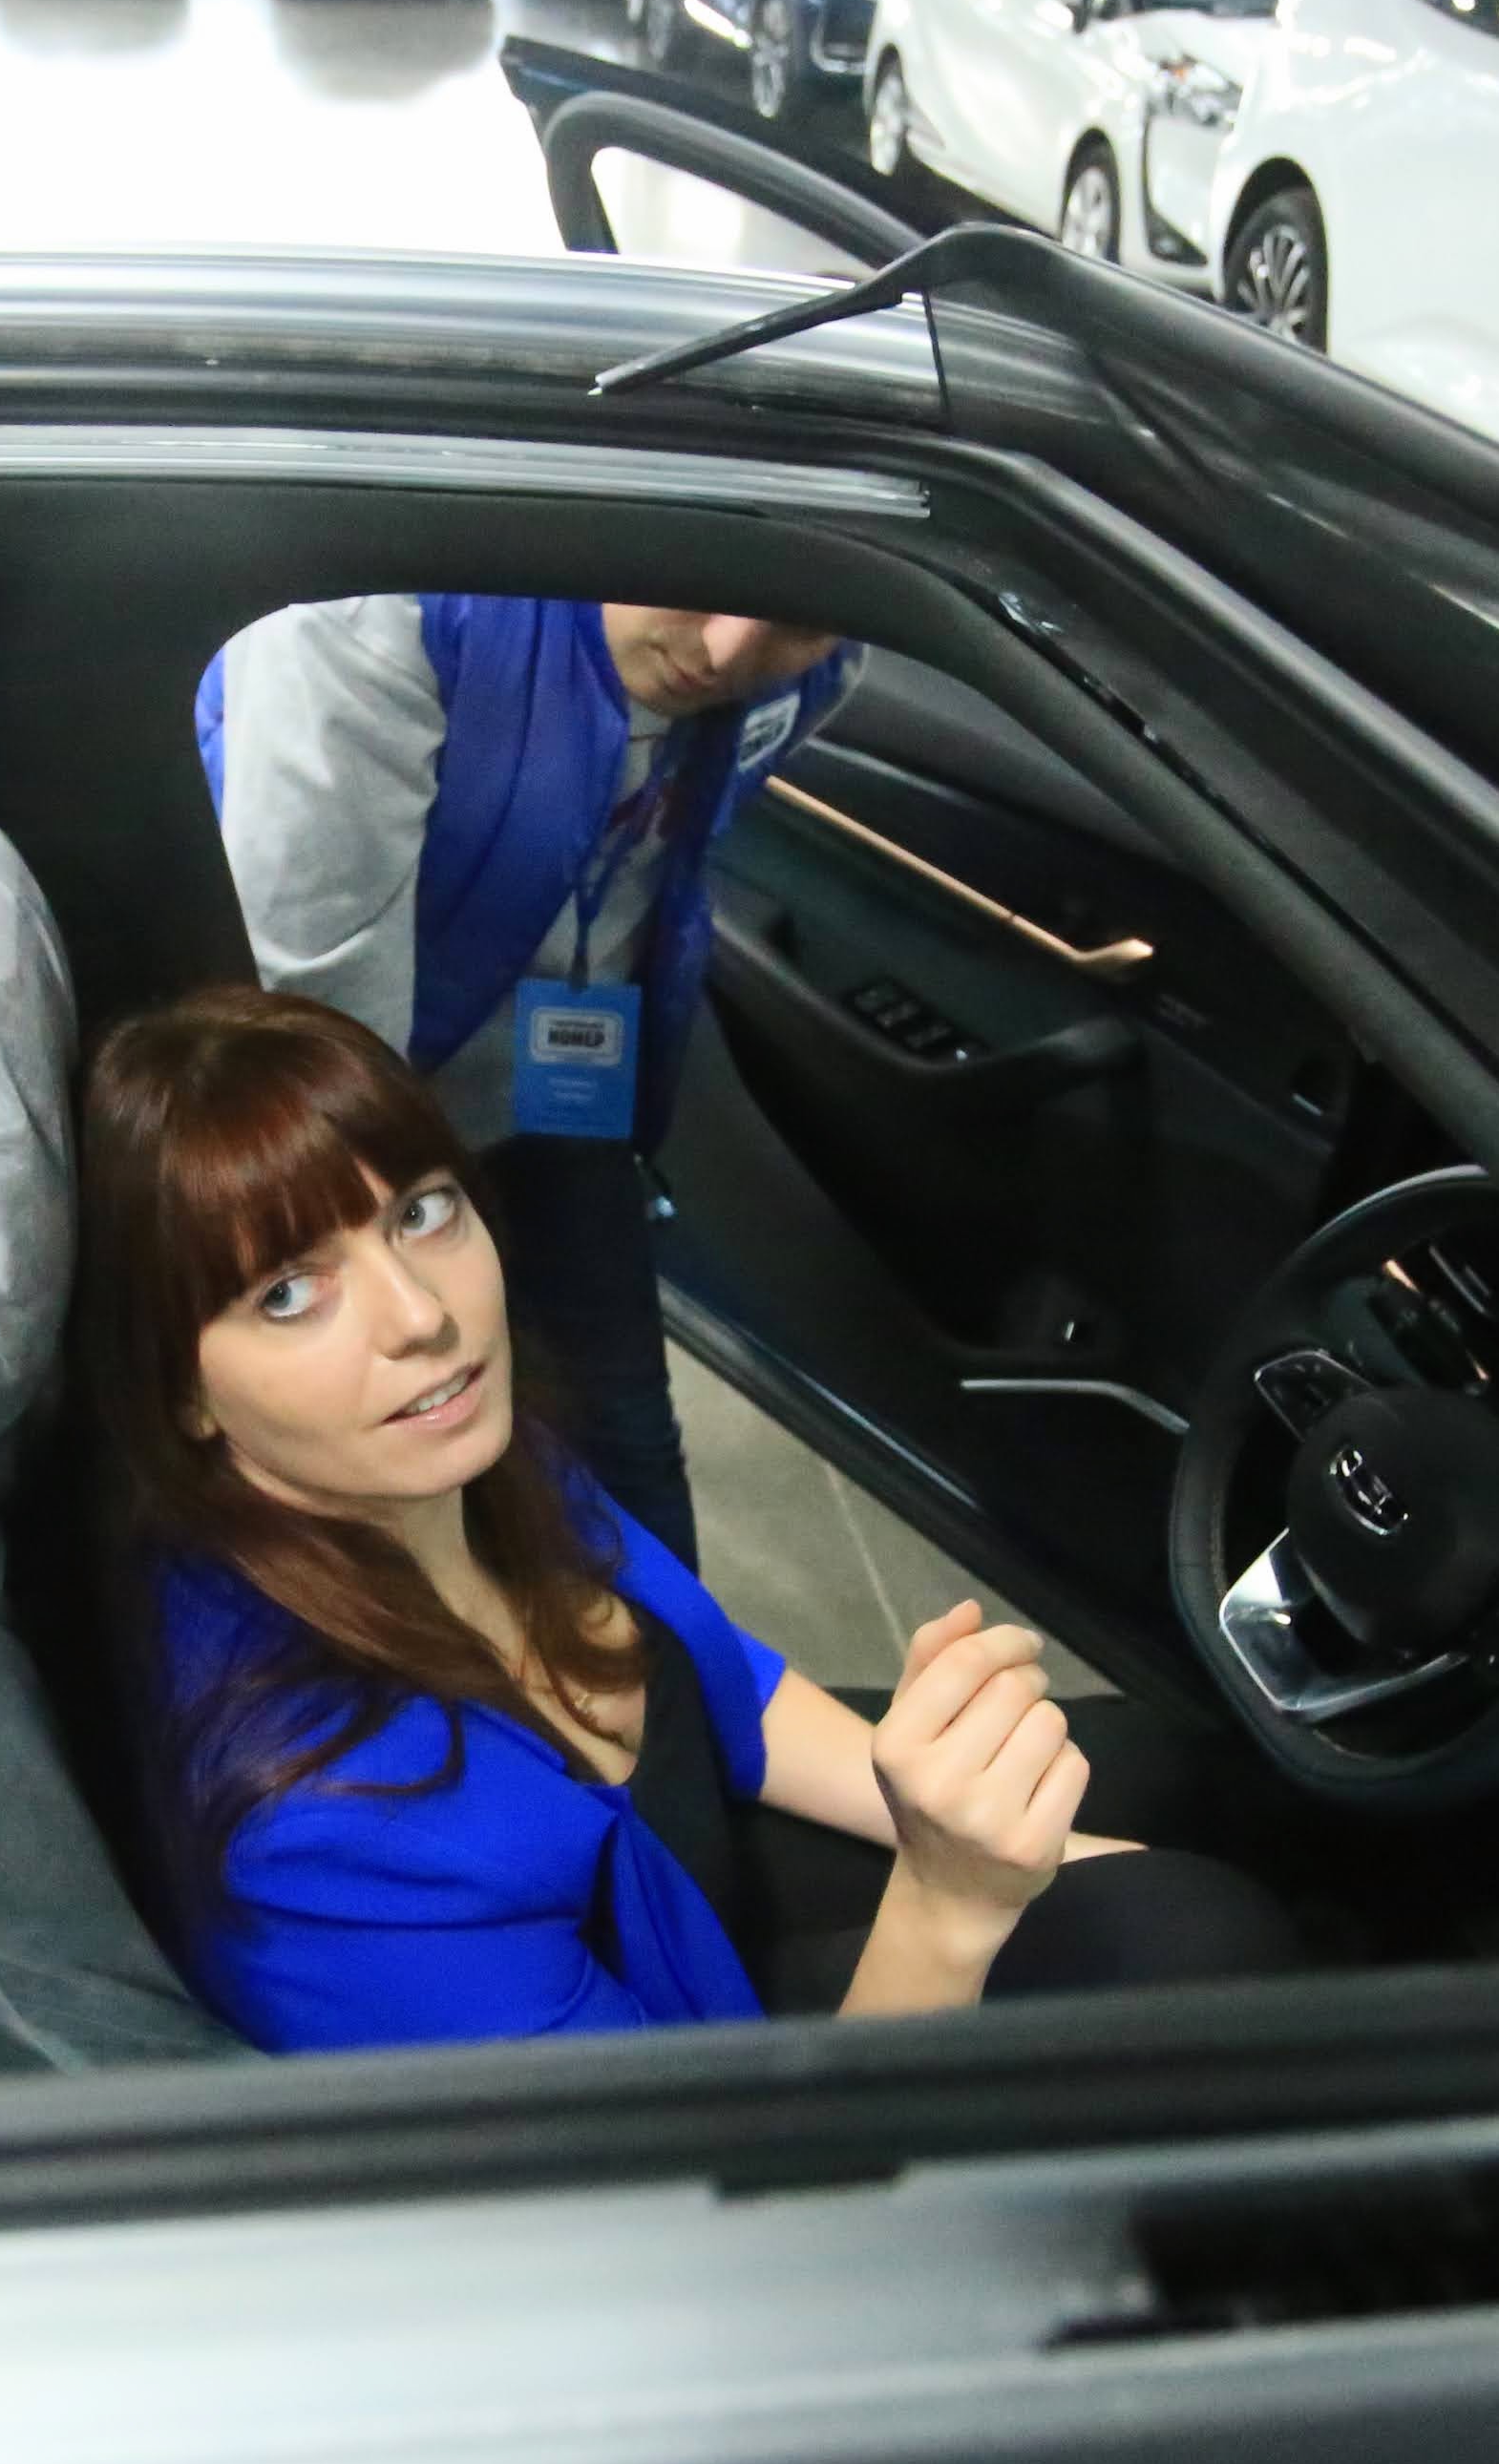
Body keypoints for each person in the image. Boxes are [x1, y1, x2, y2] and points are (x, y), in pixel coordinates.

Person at [76, 987, 1303, 2054]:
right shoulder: (328, 1839)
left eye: (422, 1212)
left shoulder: (449, 1455)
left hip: (686, 1884)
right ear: (182, 1393)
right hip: (709, 2113)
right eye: (289, 1292)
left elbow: (723, 1681)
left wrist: (1055, 1850)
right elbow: (728, 2210)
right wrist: (949, 1900)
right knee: (1204, 1937)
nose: (419, 1316)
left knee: (1183, 1782)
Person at [192, 597, 864, 1569]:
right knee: (390, 1467)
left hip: (551, 1091)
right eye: (698, 582)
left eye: (793, 622)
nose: (724, 652)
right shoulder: (372, 622)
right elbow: (313, 1025)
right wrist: (403, 1250)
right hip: (362, 1107)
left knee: (625, 1440)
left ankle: (677, 1663)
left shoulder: (825, 663)